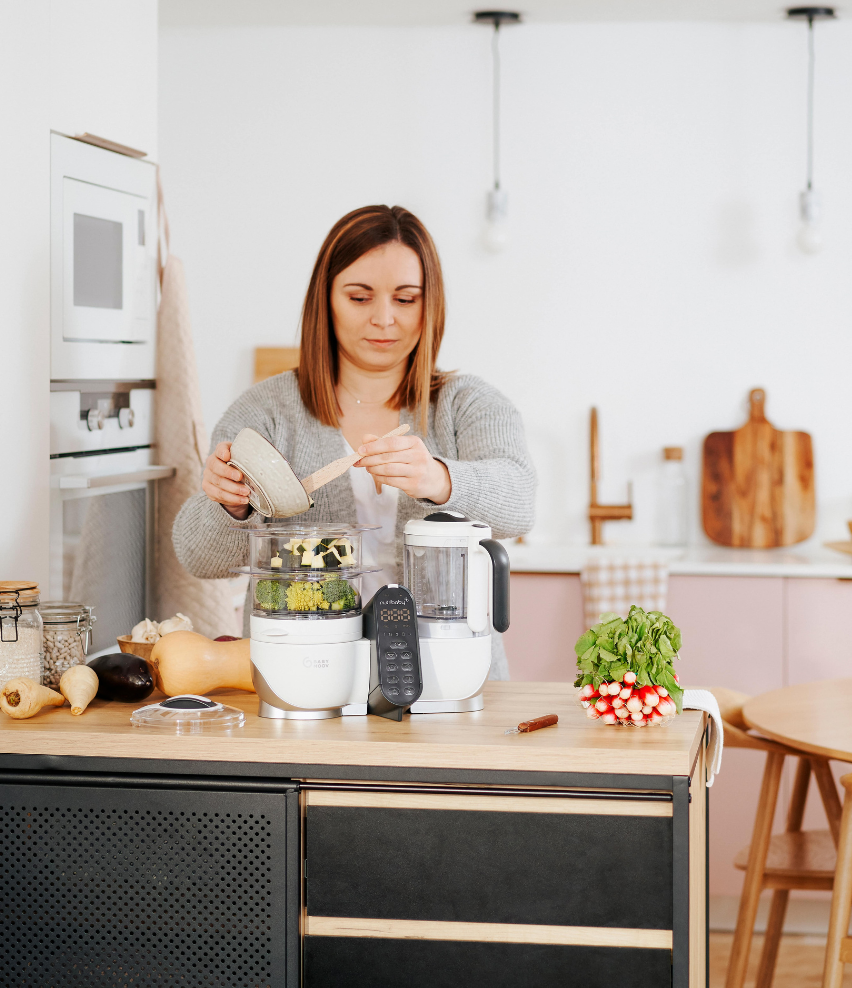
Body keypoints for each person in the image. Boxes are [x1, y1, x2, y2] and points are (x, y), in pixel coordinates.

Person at [173, 204, 535, 679]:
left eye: (405, 300)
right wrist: (230, 506)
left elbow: (520, 503)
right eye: (360, 298)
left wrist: (438, 477)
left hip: (452, 676)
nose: (384, 319)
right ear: (326, 300)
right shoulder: (265, 412)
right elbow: (199, 558)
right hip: (303, 675)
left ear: (432, 304)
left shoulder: (467, 405)